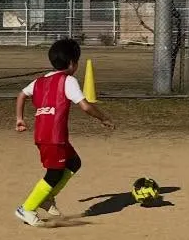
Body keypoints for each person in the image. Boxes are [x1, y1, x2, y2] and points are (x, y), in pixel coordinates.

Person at [13, 37, 114, 225]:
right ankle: (26, 208)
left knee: (74, 163)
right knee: (54, 174)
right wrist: (104, 118)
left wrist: (20, 119)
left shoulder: (39, 81)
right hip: (53, 137)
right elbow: (85, 106)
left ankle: (47, 198)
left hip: (47, 135)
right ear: (72, 63)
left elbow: (21, 94)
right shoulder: (68, 80)